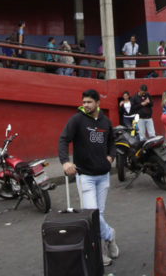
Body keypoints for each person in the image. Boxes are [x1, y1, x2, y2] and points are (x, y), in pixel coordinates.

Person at [58, 89, 119, 266]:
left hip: (103, 175)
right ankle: (109, 236)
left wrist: (110, 157)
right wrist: (65, 162)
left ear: (98, 103)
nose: (86, 105)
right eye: (84, 102)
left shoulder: (105, 121)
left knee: (98, 214)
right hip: (85, 176)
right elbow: (63, 140)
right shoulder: (77, 120)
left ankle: (102, 246)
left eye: (89, 102)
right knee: (92, 215)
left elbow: (112, 143)